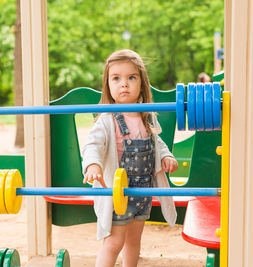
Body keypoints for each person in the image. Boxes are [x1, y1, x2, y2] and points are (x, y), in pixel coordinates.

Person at [82, 49, 178, 267]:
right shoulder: (108, 119)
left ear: (141, 83)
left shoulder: (147, 115)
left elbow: (156, 143)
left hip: (142, 193)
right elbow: (92, 144)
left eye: (131, 78)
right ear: (108, 84)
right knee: (114, 243)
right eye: (116, 78)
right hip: (119, 195)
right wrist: (93, 164)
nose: (123, 84)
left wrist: (166, 156)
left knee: (134, 241)